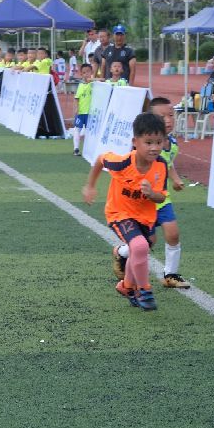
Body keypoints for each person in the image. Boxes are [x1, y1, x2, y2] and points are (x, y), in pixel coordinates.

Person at [82, 113, 169, 311]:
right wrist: (90, 186)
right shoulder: (122, 163)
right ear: (135, 142)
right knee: (139, 246)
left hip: (145, 217)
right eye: (148, 142)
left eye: (158, 142)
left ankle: (127, 286)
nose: (154, 147)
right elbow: (101, 160)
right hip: (119, 213)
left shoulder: (161, 165)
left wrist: (151, 194)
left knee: (142, 247)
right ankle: (144, 290)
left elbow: (161, 197)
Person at [113, 98, 190, 289]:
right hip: (143, 203)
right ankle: (122, 253)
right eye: (162, 116)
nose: (168, 120)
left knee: (173, 234)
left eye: (171, 115)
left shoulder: (172, 144)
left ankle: (170, 275)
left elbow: (168, 165)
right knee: (148, 242)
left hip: (162, 200)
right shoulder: (143, 148)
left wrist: (176, 179)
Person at [72, 63, 94, 156]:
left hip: (91, 113)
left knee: (90, 131)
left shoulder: (95, 84)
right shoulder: (80, 85)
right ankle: (76, 148)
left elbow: (102, 80)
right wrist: (76, 108)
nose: (86, 74)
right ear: (81, 74)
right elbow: (77, 98)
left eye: (88, 72)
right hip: (81, 112)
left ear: (92, 72)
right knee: (77, 129)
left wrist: (93, 79)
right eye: (84, 73)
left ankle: (89, 150)